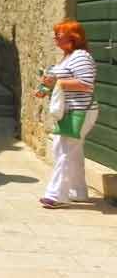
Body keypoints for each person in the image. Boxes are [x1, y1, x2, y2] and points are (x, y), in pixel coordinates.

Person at [36, 20, 98, 209]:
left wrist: (59, 82)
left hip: (80, 110)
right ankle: (78, 191)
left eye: (59, 35)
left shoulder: (81, 57)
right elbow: (58, 80)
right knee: (73, 150)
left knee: (63, 150)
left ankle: (56, 195)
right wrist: (45, 87)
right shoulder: (67, 57)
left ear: (73, 38)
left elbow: (86, 85)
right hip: (71, 111)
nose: (55, 38)